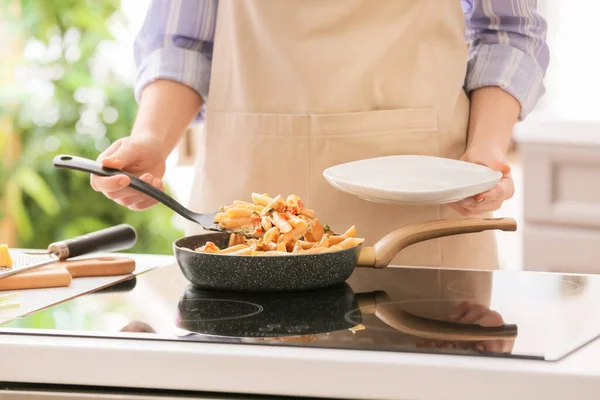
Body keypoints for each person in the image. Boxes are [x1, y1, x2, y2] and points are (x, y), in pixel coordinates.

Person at [90, 0, 549, 269]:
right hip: (244, 219)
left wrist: (485, 151)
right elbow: (183, 41)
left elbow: (507, 30)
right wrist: (152, 138)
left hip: (425, 212)